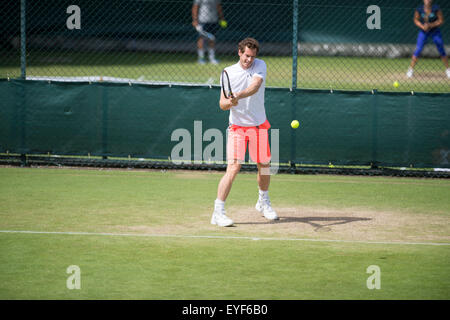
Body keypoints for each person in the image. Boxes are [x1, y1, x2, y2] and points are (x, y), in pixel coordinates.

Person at [211, 38, 278, 227]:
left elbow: (255, 86)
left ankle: (263, 202)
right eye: (246, 56)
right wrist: (229, 102)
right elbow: (222, 104)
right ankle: (218, 212)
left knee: (264, 165)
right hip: (237, 128)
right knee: (233, 167)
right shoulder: (228, 72)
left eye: (252, 56)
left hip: (258, 125)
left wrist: (238, 95)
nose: (249, 60)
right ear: (239, 52)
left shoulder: (260, 65)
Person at [407, 0, 450, 78]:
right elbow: (416, 20)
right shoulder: (419, 9)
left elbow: (441, 20)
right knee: (418, 49)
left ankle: (448, 70)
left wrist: (431, 25)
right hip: (423, 32)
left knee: (441, 49)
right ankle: (410, 70)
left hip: (435, 31)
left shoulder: (436, 8)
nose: (427, 1)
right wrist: (422, 26)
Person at [192, 0, 226, 65]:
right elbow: (195, 7)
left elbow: (218, 7)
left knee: (212, 39)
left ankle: (212, 58)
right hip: (202, 21)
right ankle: (201, 58)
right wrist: (195, 20)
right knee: (201, 38)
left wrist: (222, 18)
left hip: (213, 21)